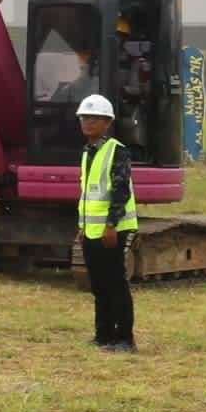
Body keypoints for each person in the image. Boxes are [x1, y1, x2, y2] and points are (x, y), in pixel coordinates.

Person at [77, 91, 138, 354]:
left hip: (111, 231)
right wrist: (82, 226)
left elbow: (120, 191)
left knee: (115, 284)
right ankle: (103, 335)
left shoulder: (117, 152)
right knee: (99, 285)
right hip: (91, 231)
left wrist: (111, 225)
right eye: (84, 118)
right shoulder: (87, 152)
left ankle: (124, 338)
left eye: (94, 118)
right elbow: (87, 195)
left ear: (107, 123)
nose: (87, 123)